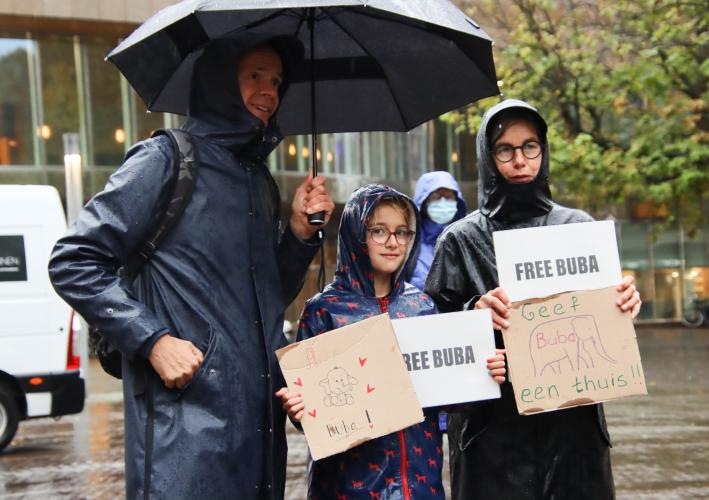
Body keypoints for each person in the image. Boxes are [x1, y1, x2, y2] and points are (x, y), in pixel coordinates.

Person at [48, 37, 334, 499]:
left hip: (258, 441)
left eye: (277, 81)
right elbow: (74, 261)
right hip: (184, 440)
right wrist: (154, 340)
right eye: (255, 77)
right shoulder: (164, 160)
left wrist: (300, 234)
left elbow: (264, 299)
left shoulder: (257, 180)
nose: (269, 92)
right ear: (220, 83)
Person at [424, 99, 642, 499]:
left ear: (543, 151)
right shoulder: (459, 240)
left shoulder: (577, 227)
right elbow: (430, 334)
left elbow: (603, 324)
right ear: (487, 157)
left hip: (573, 431)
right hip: (492, 435)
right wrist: (473, 313)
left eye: (530, 147)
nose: (519, 160)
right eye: (505, 149)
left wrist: (624, 303)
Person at [276, 184, 472, 499]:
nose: (393, 242)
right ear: (356, 233)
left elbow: (444, 398)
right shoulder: (323, 311)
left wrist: (478, 372)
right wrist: (300, 411)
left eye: (403, 232)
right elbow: (315, 421)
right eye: (379, 230)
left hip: (420, 486)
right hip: (348, 490)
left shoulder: (421, 306)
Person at [408, 171, 467, 291]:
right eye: (436, 197)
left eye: (449, 197)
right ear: (423, 203)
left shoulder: (466, 241)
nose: (443, 202)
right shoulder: (407, 245)